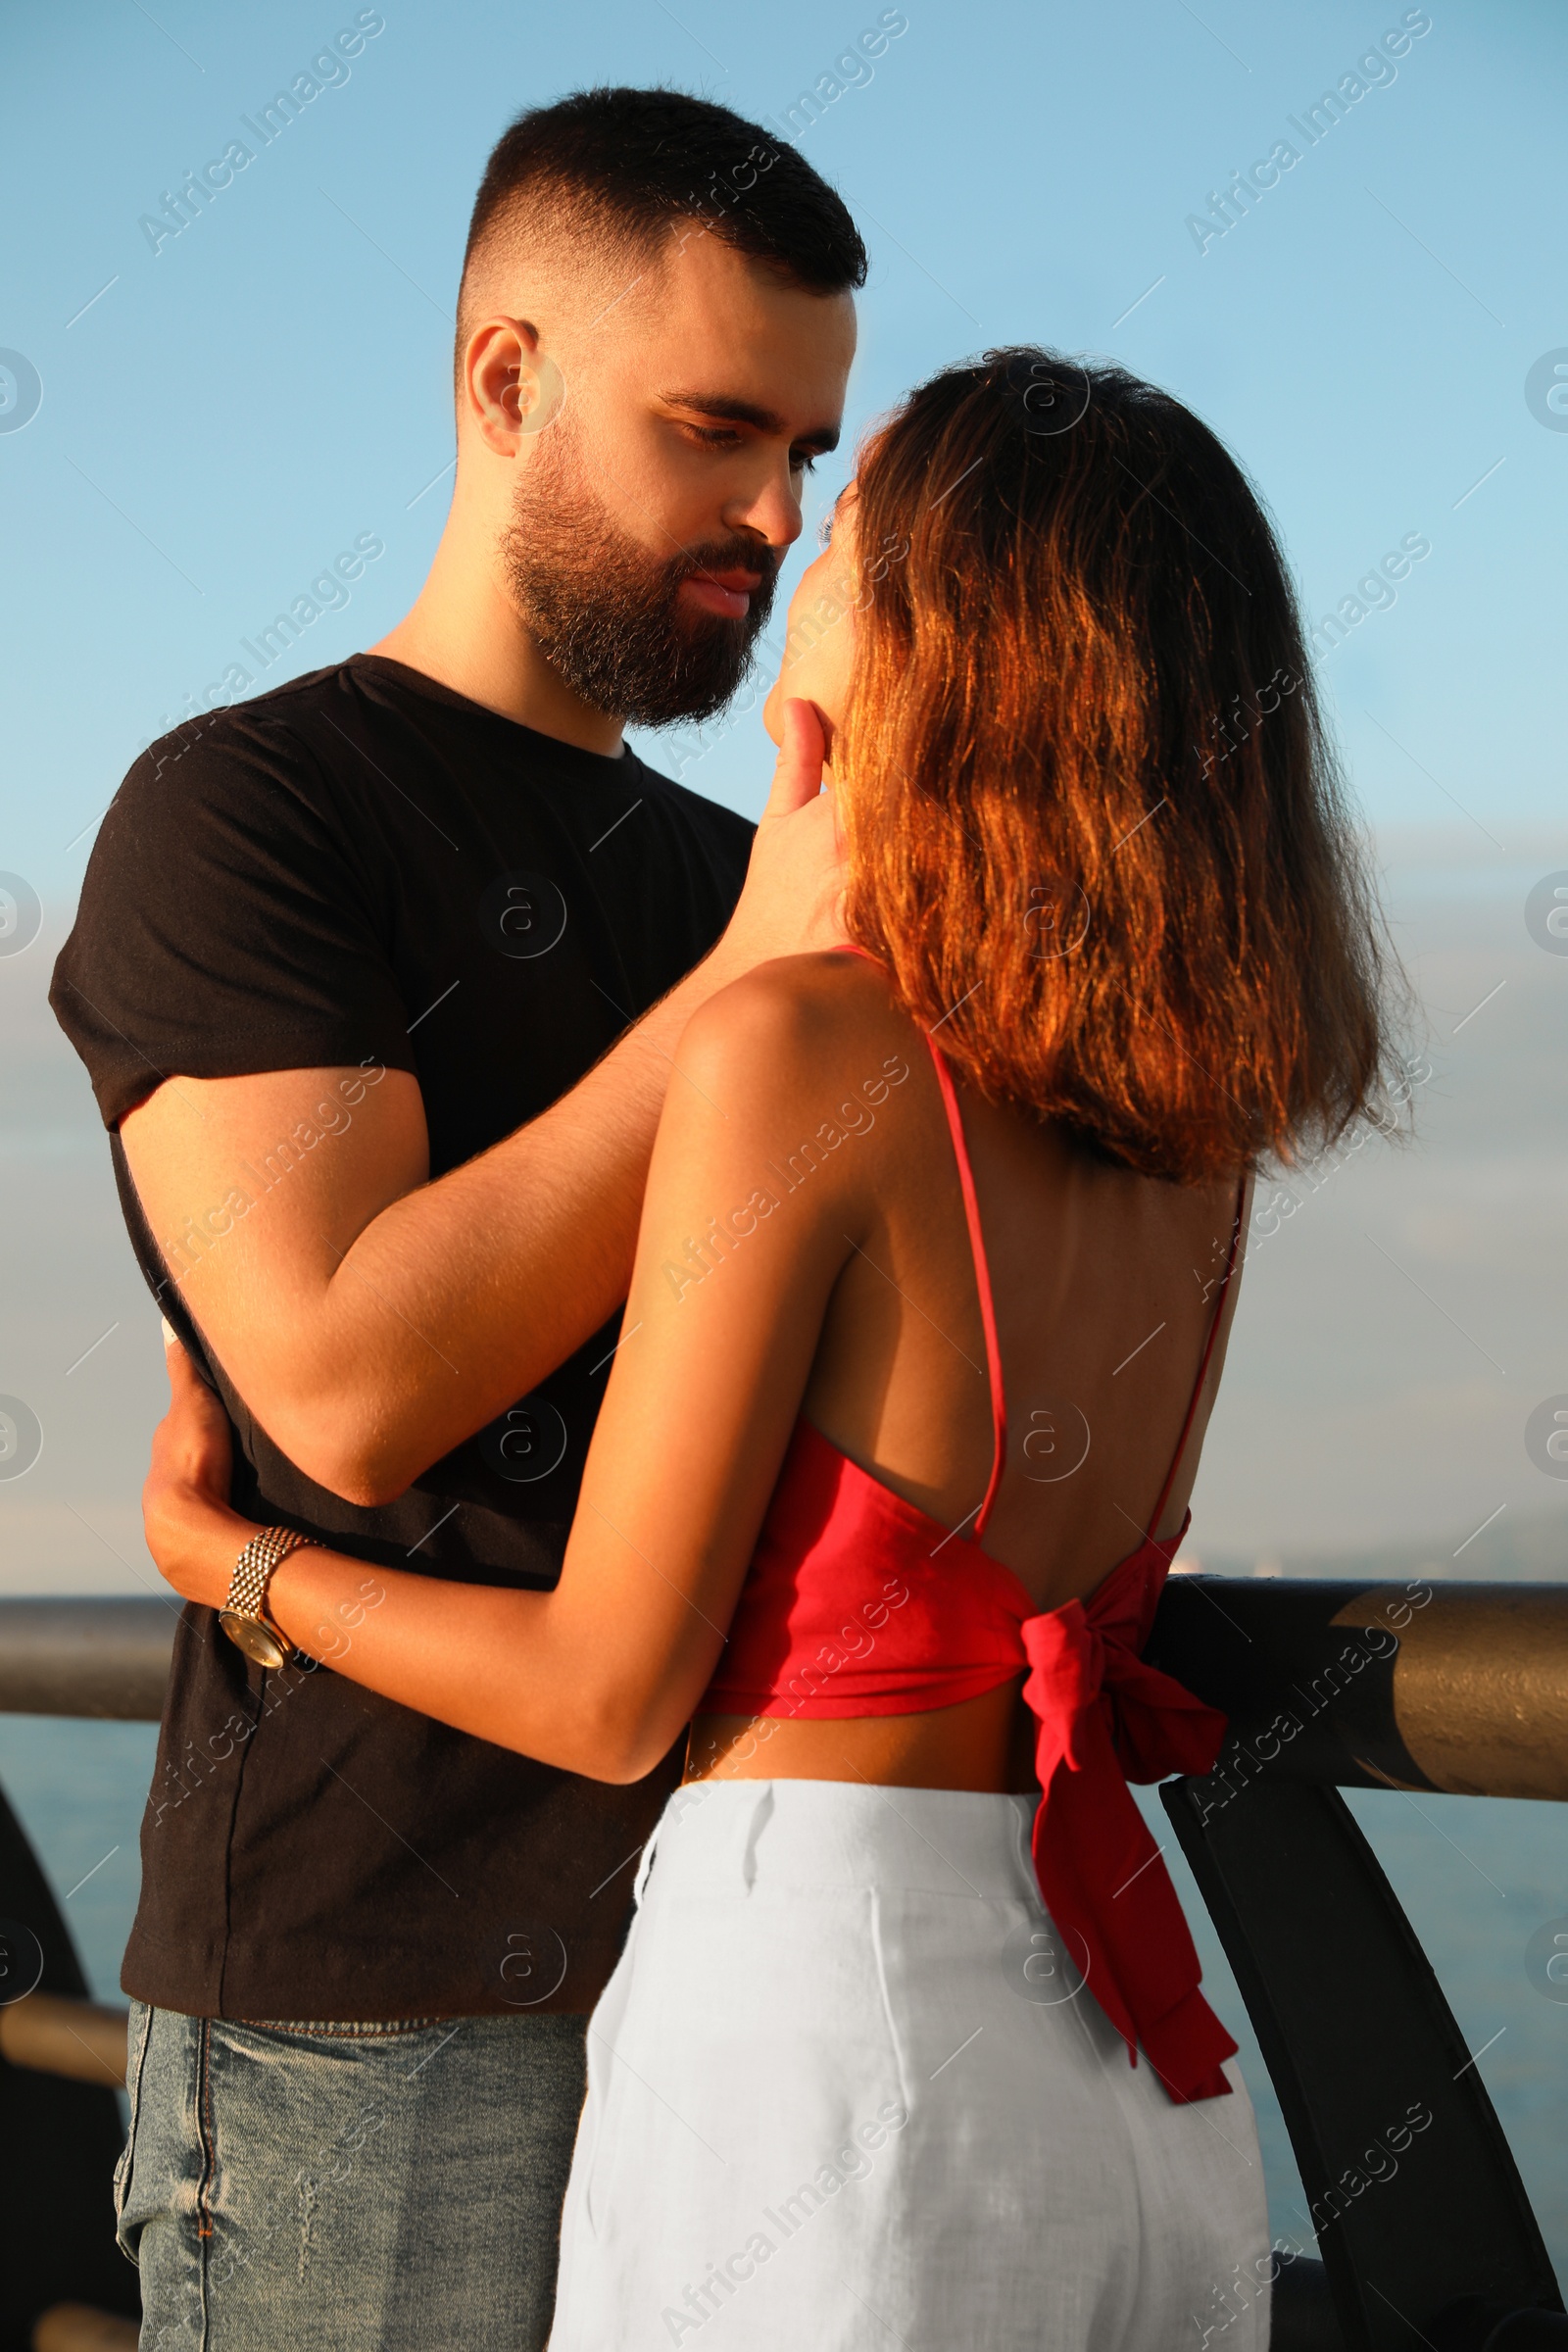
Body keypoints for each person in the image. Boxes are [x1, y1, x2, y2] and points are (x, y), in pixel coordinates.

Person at [141, 349, 1396, 2348]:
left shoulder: (797, 1051)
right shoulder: (1197, 1127)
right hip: (1117, 2069)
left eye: (852, 527)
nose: (794, 556)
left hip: (819, 2055)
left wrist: (244, 1571)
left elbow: (606, 1694)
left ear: (939, 644)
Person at [50, 87, 861, 2352]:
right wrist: (747, 994)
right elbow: (344, 1378)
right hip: (368, 2025)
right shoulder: (249, 811)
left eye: (808, 445)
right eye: (717, 428)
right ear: (504, 381)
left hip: (736, 1964)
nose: (776, 514)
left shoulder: (738, 880)